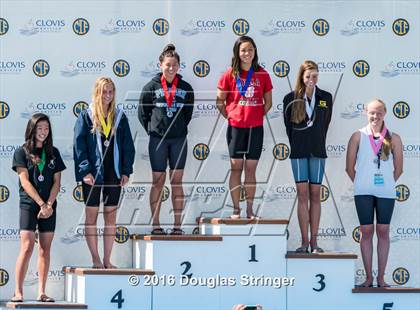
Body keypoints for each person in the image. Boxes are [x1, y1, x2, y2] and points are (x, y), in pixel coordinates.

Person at [74, 77, 135, 268]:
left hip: (113, 173)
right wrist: (85, 171)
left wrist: (125, 170)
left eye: (111, 92)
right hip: (92, 174)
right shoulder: (86, 115)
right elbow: (79, 145)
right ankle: (95, 259)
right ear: (97, 93)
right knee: (91, 217)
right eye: (104, 92)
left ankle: (108, 260)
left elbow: (127, 146)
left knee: (110, 218)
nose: (108, 96)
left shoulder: (119, 116)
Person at [346, 99, 403, 287]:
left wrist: (384, 183)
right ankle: (369, 278)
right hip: (363, 191)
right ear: (365, 113)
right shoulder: (357, 136)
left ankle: (381, 278)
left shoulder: (392, 138)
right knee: (366, 231)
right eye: (372, 112)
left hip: (385, 192)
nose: (375, 116)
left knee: (383, 231)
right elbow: (349, 168)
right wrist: (363, 183)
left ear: (385, 113)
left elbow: (398, 169)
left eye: (379, 112)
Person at [138, 44, 194, 235]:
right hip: (158, 140)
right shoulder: (151, 87)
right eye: (168, 65)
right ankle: (156, 225)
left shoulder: (186, 88)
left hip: (178, 140)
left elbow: (188, 114)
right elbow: (142, 113)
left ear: (179, 66)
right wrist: (153, 130)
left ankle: (178, 225)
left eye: (174, 65)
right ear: (160, 65)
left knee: (177, 182)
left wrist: (177, 129)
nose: (171, 68)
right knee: (158, 182)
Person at [11, 113, 66, 302]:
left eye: (46, 128)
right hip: (29, 205)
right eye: (40, 128)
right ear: (32, 129)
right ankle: (18, 292)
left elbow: (57, 183)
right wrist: (41, 204)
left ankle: (41, 291)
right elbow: (24, 181)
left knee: (45, 249)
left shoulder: (54, 152)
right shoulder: (21, 152)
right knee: (26, 247)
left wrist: (49, 204)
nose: (43, 132)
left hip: (49, 207)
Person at [216, 36, 272, 219]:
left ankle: (249, 209)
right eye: (243, 50)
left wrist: (254, 116)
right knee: (236, 169)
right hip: (236, 129)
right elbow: (219, 101)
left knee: (250, 170)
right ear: (237, 53)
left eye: (250, 50)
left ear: (255, 51)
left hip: (255, 128)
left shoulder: (262, 74)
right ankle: (235, 209)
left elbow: (268, 103)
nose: (247, 53)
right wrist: (232, 116)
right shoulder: (229, 75)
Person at [283, 60, 333, 253]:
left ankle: (314, 242)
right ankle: (304, 242)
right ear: (301, 77)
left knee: (315, 195)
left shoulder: (325, 97)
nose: (312, 79)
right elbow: (289, 128)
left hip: (318, 151)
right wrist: (300, 142)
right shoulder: (290, 98)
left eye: (315, 76)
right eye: (308, 76)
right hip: (298, 152)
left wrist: (315, 139)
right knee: (302, 195)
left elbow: (325, 124)